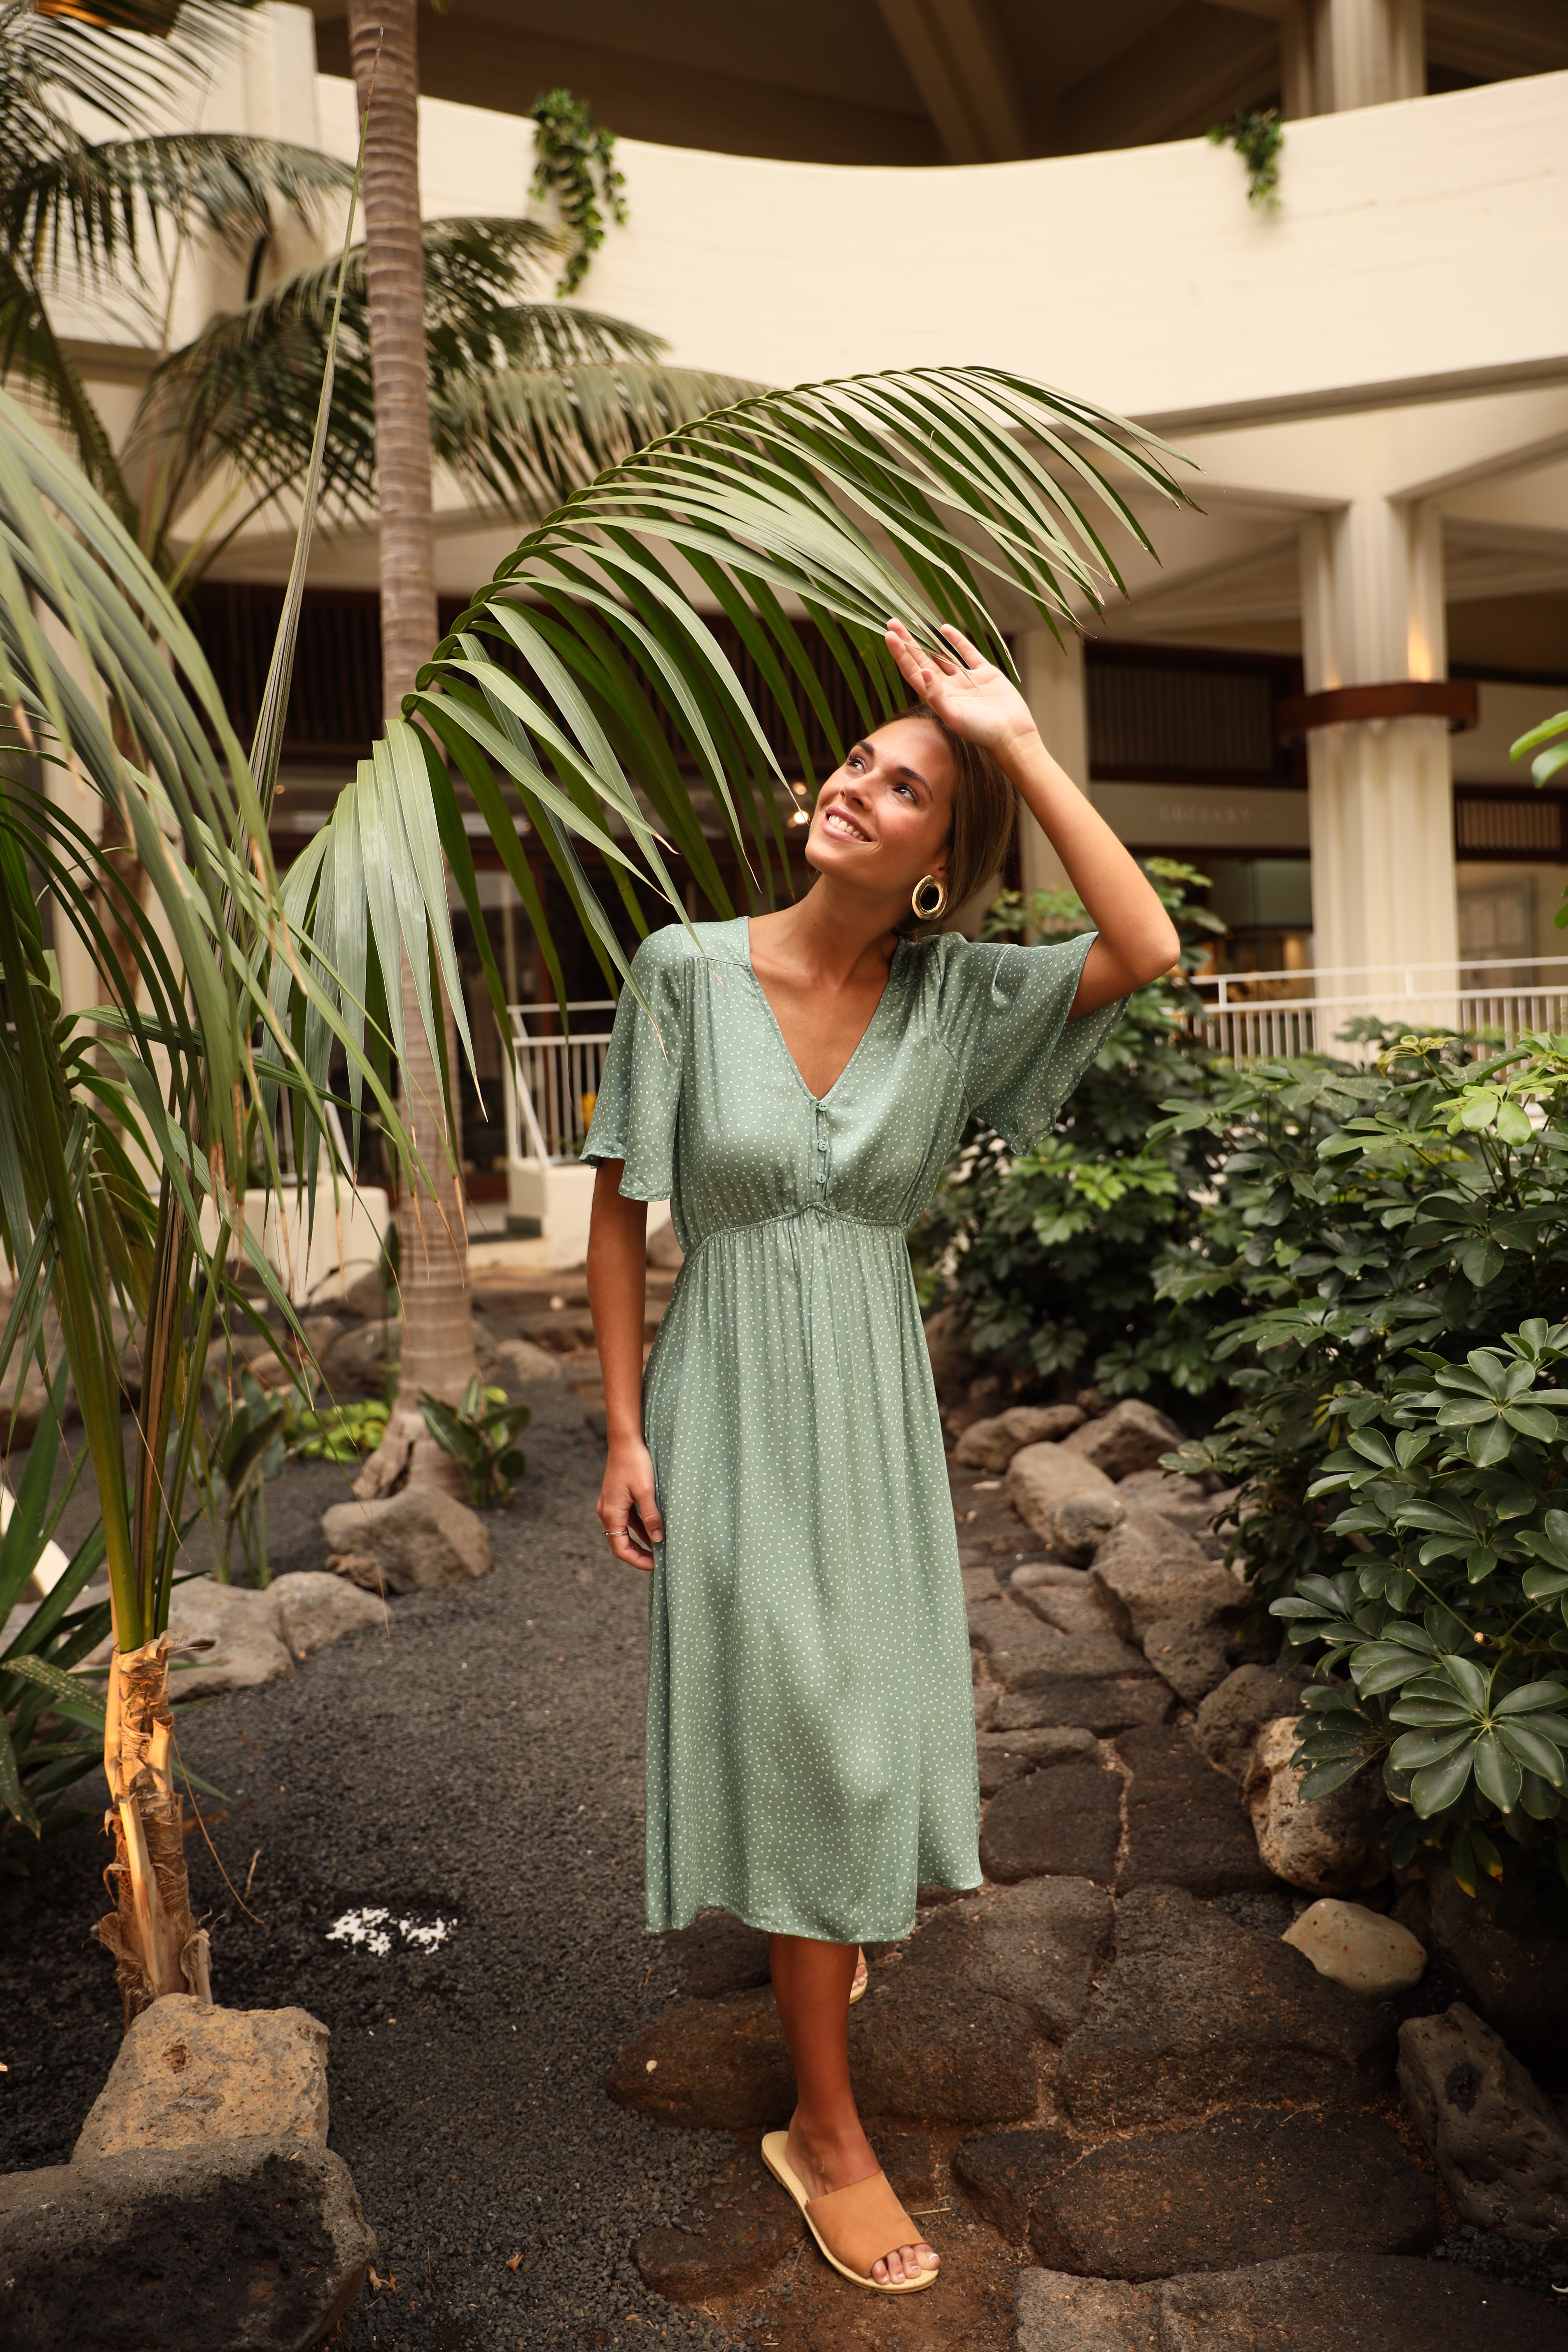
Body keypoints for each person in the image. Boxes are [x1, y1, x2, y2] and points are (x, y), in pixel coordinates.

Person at [583, 618, 1180, 2295]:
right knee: (809, 1726)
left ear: (941, 859)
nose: (859, 782)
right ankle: (823, 2131)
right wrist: (625, 1432)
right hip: (730, 1395)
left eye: (904, 782)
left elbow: (1142, 944)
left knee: (866, 1710)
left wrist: (1015, 742)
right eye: (856, 761)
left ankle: (819, 1941)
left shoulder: (956, 997)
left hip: (868, 1395)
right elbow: (623, 1217)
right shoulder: (683, 968)